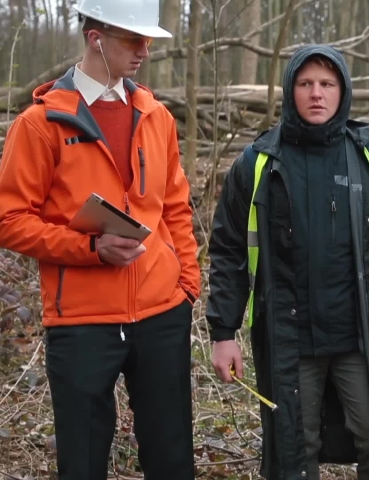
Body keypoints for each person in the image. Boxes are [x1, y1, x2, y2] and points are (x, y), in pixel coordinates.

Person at [0, 1, 201, 479]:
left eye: (148, 41)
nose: (145, 52)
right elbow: (9, 219)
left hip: (161, 312)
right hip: (82, 320)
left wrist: (187, 286)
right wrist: (90, 250)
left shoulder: (156, 116)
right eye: (134, 40)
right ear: (96, 37)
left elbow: (175, 207)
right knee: (83, 460)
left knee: (172, 457)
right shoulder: (40, 123)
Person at [205, 44, 369, 480]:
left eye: (327, 84)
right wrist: (222, 331)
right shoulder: (258, 163)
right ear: (290, 91)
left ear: (343, 91)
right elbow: (228, 249)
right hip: (288, 336)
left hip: (358, 332)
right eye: (306, 84)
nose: (316, 94)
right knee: (292, 449)